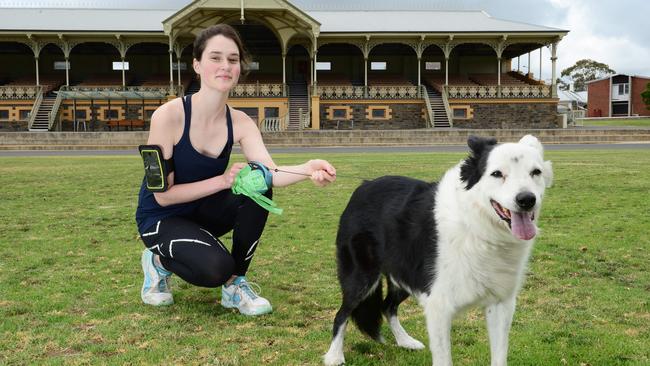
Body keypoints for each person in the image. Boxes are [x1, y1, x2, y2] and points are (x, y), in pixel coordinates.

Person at [135, 24, 336, 316]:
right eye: (215, 57)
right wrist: (222, 180)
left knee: (258, 181)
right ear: (197, 64)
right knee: (215, 268)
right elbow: (163, 197)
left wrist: (307, 169)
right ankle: (157, 262)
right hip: (160, 218)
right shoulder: (167, 117)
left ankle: (235, 285)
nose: (225, 66)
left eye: (232, 59)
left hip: (203, 213)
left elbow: (272, 173)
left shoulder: (241, 122)